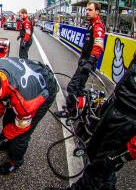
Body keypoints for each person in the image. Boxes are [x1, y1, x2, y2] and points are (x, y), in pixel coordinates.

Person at [48, 55, 136, 190]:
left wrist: (127, 152)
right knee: (96, 156)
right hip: (116, 106)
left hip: (127, 121)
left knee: (100, 167)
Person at [0, 57, 58, 175]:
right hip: (23, 79)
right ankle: (8, 142)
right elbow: (0, 98)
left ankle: (15, 162)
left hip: (44, 90)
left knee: (20, 137)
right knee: (8, 118)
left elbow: (21, 127)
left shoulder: (25, 102)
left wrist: (1, 136)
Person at [55, 2, 105, 118]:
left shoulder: (98, 26)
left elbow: (98, 46)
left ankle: (70, 112)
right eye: (87, 9)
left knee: (72, 87)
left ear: (97, 12)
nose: (87, 12)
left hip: (88, 62)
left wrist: (90, 61)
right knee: (80, 88)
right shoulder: (91, 24)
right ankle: (79, 108)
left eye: (90, 10)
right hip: (85, 60)